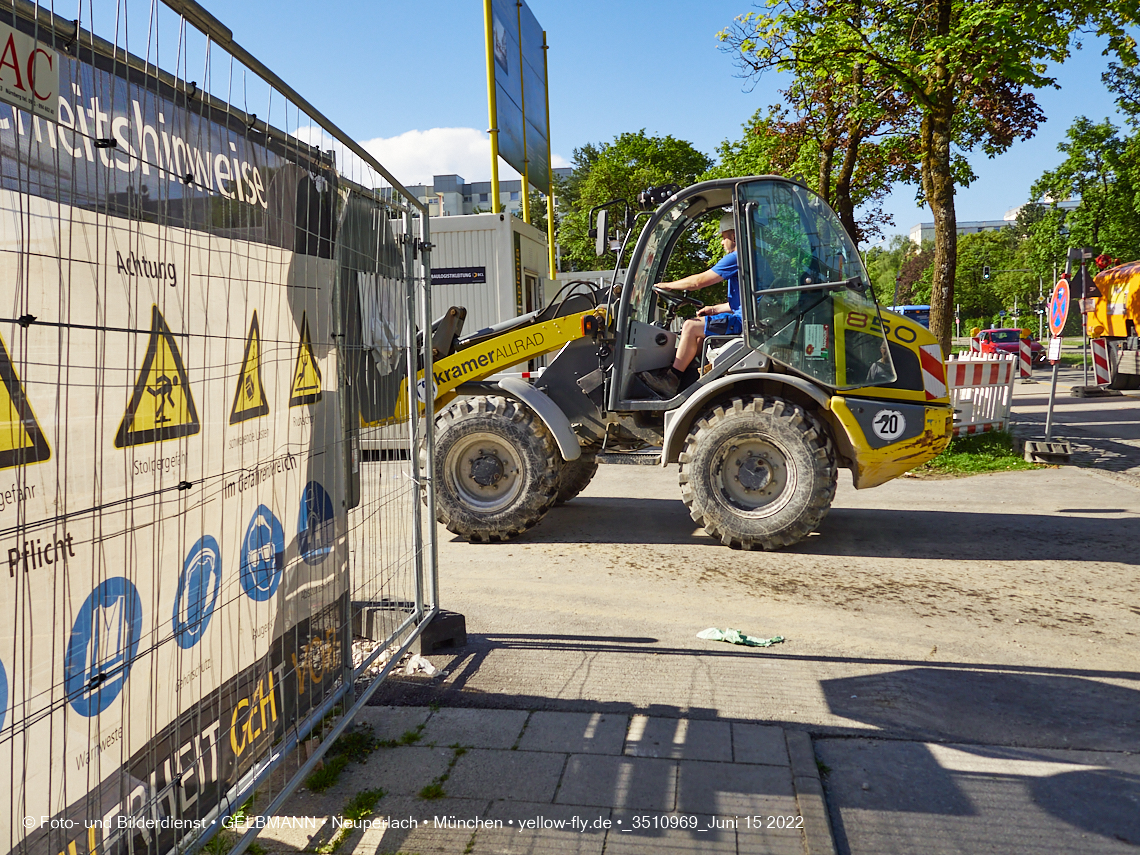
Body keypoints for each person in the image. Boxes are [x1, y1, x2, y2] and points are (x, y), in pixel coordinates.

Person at [638, 212, 740, 398]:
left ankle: (672, 380)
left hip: (744, 323)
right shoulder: (749, 258)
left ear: (734, 236)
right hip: (746, 318)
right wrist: (715, 309)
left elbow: (698, 282)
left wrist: (667, 285)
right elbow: (745, 303)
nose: (722, 242)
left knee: (690, 326)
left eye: (723, 237)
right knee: (700, 329)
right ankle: (694, 376)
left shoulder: (736, 257)